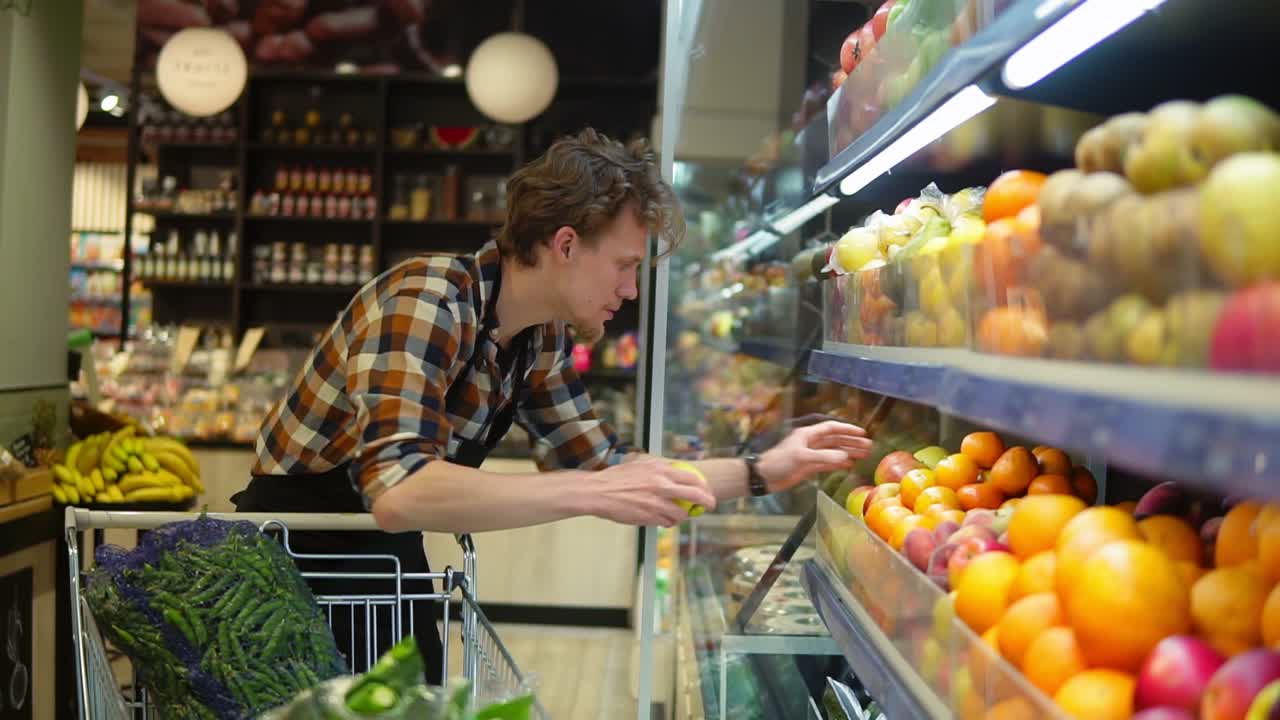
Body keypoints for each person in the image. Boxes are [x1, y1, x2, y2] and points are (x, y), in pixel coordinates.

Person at [233, 128, 873, 681]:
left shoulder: (539, 338)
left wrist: (765, 470)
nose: (629, 289)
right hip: (293, 562)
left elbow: (608, 467)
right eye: (624, 265)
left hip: (382, 564)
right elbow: (400, 492)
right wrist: (589, 495)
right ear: (565, 244)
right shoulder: (428, 298)